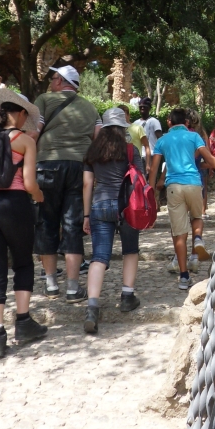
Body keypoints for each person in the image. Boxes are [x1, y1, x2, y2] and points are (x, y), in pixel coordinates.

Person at [0, 89, 47, 358]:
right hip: (14, 205)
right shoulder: (24, 140)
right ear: (22, 113)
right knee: (23, 262)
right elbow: (29, 183)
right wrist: (40, 197)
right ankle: (24, 323)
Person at [149, 108, 215, 290]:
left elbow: (154, 169)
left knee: (179, 233)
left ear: (169, 122)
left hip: (174, 187)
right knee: (197, 217)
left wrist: (151, 193)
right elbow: (211, 160)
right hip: (194, 184)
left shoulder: (162, 140)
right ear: (187, 122)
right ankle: (198, 238)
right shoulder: (194, 137)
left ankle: (184, 277)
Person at [32, 64, 102, 302]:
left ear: (61, 81)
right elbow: (98, 139)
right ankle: (73, 288)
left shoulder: (43, 100)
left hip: (47, 165)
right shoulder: (90, 107)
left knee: (46, 222)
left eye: (53, 78)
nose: (50, 82)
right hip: (79, 167)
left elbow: (34, 132)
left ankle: (51, 285)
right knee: (72, 226)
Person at [82, 108, 143, 334]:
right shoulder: (130, 150)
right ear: (122, 128)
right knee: (130, 251)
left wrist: (86, 215)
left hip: (99, 205)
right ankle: (127, 296)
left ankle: (92, 308)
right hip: (127, 207)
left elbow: (87, 184)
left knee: (99, 257)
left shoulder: (92, 152)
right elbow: (140, 179)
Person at [186, 109, 210, 219]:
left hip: (177, 180)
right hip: (195, 178)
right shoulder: (199, 137)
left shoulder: (174, 137)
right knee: (196, 217)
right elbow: (207, 159)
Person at [118, 104, 149, 174]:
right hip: (120, 164)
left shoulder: (138, 128)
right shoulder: (115, 130)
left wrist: (148, 164)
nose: (121, 118)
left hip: (135, 164)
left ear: (129, 115)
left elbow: (146, 146)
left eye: (123, 115)